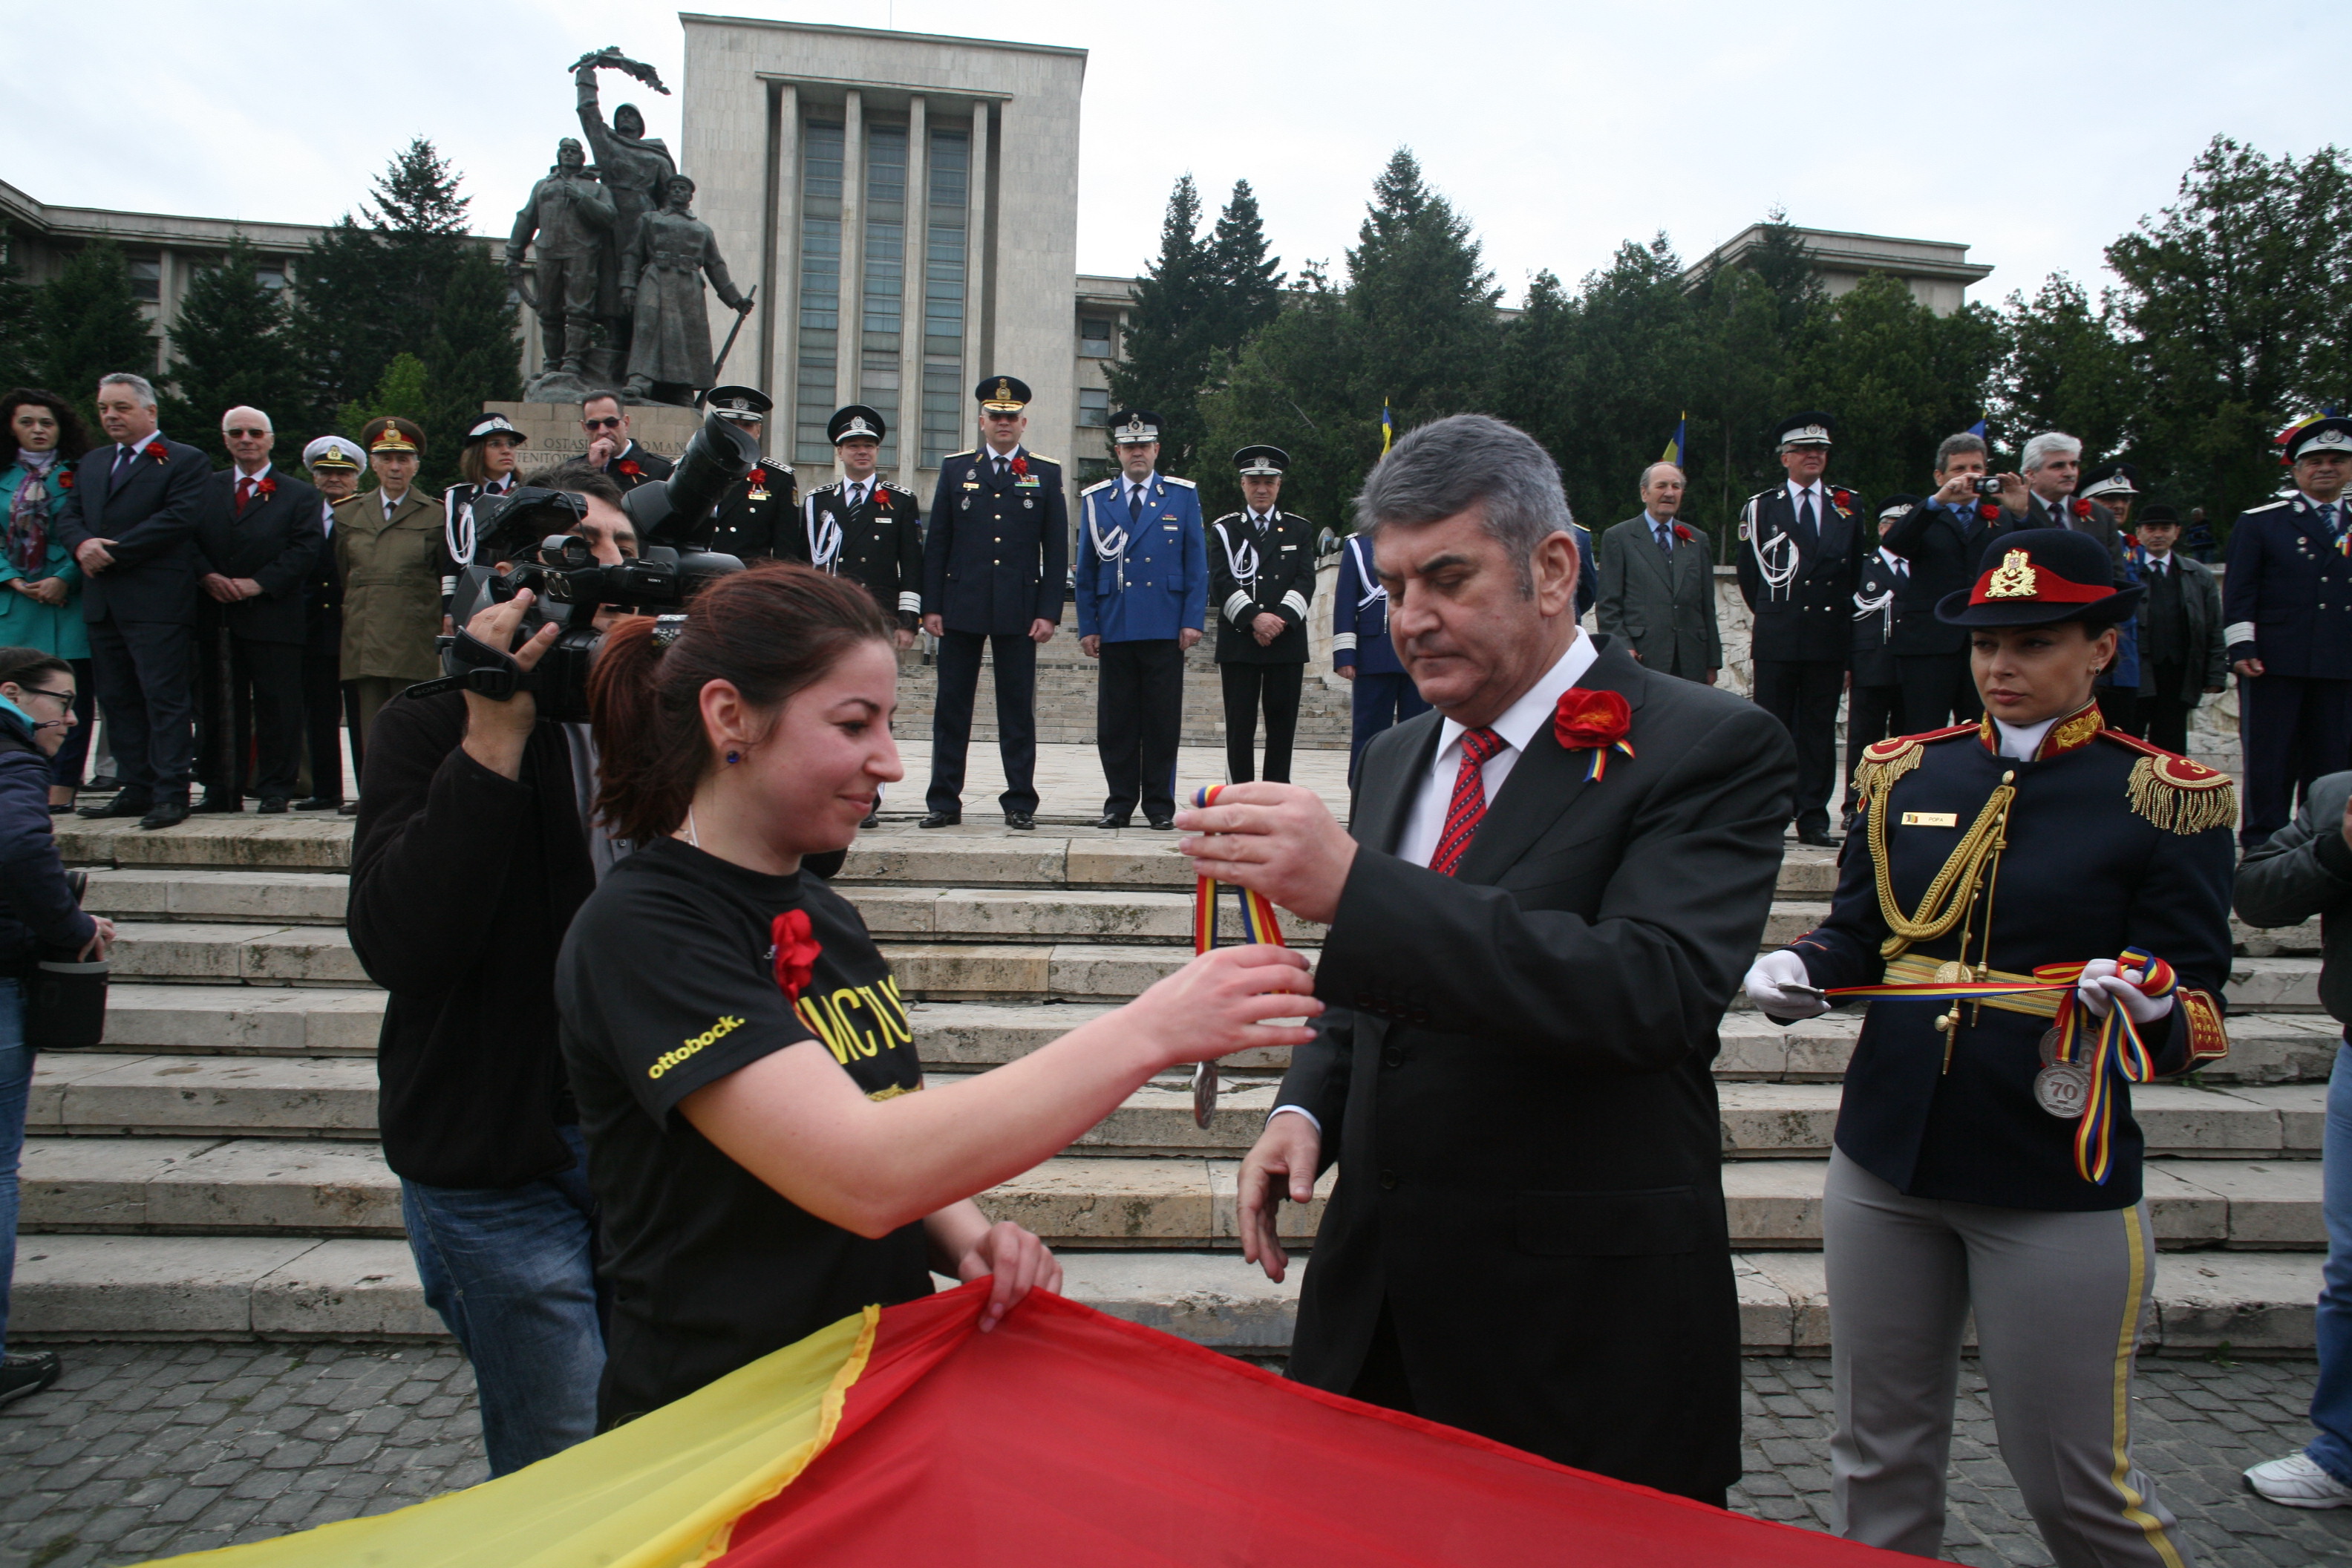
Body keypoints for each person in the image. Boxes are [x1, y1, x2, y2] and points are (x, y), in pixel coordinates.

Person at [555, 563, 1319, 1426]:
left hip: (863, 1397)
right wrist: (1150, 1030)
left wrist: (968, 1239)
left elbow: (890, 1114)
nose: (887, 760)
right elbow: (862, 1168)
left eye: (890, 722)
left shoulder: (824, 914)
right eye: (854, 724)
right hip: (725, 1425)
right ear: (731, 717)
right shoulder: (646, 931)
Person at [1191, 414, 1796, 1503]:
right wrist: (1305, 1109)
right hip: (1375, 1312)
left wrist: (1353, 886)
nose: (1410, 621)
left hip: (1575, 1334)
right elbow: (1378, 979)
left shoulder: (1710, 745)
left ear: (1554, 567)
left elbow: (1650, 994)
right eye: (1392, 587)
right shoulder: (1394, 754)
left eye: (1448, 578)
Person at [1744, 526, 2232, 1565]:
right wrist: (1808, 970)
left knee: (2072, 1480)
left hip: (2050, 1164)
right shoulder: (1902, 771)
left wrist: (2147, 1002)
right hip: (1887, 1154)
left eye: (2036, 642)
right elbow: (1862, 931)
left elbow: (2197, 994)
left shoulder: (2160, 794)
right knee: (1877, 1457)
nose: (2000, 667)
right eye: (1985, 645)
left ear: (2102, 648)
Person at [345, 463, 642, 1476]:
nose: (609, 576)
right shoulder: (427, 724)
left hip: (640, 1145)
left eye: (625, 553)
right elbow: (402, 943)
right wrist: (493, 739)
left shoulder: (655, 723)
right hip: (491, 1148)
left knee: (655, 1438)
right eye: (581, 554)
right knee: (564, 1449)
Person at [0, 647, 114, 1408]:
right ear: (12, 693)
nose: (70, 721)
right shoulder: (13, 761)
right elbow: (16, 843)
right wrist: (69, 924)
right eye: (60, 702)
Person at [2236, 768, 2352, 1509]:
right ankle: (2341, 1449)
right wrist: (2340, 848)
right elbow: (2258, 894)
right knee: (2350, 1274)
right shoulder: (2337, 796)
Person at [53, 373, 210, 832]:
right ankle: (135, 785)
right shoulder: (95, 462)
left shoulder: (184, 460)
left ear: (150, 411)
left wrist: (111, 552)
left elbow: (179, 518)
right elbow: (71, 515)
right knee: (118, 699)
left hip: (156, 601)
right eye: (104, 408)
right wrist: (82, 545)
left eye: (121, 408)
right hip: (104, 601)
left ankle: (170, 792)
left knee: (163, 699)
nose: (110, 416)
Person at [919, 376, 1067, 830]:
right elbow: (938, 542)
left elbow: (1057, 548)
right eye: (995, 416)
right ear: (982, 421)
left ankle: (1020, 800)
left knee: (1017, 709)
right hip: (961, 604)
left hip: (1019, 609)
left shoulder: (1045, 472)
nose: (1003, 424)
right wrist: (932, 605)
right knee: (952, 708)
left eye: (1011, 417)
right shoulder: (955, 469)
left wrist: (1048, 611)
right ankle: (944, 800)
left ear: (1023, 423)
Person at [2225, 415, 2352, 852]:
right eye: (2315, 460)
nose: (2326, 468)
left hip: (2340, 662)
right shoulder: (2263, 522)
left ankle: (2325, 843)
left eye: (2338, 460)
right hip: (2274, 662)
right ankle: (2264, 847)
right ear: (2296, 470)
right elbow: (2240, 591)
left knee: (2333, 762)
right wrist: (2242, 645)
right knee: (2270, 760)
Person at [1737, 411, 1862, 846]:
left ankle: (1813, 818)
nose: (1814, 456)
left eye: (1821, 450)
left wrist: (1847, 650)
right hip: (1779, 636)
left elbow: (1853, 579)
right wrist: (1779, 615)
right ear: (1785, 457)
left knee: (1817, 731)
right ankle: (1771, 814)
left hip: (1827, 638)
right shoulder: (1760, 507)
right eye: (1805, 450)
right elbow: (1752, 577)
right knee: (1774, 728)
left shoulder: (1848, 506)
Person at [1074, 411, 1205, 831]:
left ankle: (1159, 806)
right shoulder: (1098, 500)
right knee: (1117, 724)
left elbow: (1195, 564)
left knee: (1162, 721)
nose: (1137, 453)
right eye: (1129, 447)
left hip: (1165, 624)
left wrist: (1191, 620)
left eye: (1144, 446)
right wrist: (1088, 625)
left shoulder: (1182, 496)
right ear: (1118, 451)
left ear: (1156, 450)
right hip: (1116, 624)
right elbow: (1087, 569)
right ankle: (1119, 803)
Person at [193, 406, 321, 814]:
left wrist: (259, 583)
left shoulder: (300, 494)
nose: (245, 439)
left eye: (254, 432)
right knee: (216, 705)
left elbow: (305, 549)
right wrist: (206, 575)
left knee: (277, 706)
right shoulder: (202, 488)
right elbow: (186, 538)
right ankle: (219, 786)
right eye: (236, 432)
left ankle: (275, 787)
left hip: (273, 616)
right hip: (215, 615)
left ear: (270, 439)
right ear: (225, 439)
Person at [0, 391, 97, 813]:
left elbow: (92, 530)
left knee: (70, 699)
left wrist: (65, 577)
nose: (38, 430)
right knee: (15, 696)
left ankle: (63, 788)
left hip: (67, 603)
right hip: (16, 605)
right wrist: (13, 579)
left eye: (47, 423)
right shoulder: (1, 476)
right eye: (28, 422)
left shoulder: (80, 474)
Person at [336, 419, 442, 778]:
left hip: (413, 638)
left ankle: (413, 794)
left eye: (404, 458)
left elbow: (444, 575)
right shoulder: (348, 514)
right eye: (387, 458)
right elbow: (341, 574)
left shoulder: (437, 514)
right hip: (364, 635)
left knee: (414, 723)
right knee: (369, 727)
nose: (395, 467)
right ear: (374, 463)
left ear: (416, 465)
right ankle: (374, 800)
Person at [1206, 445, 1316, 788]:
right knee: (1239, 727)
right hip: (1240, 640)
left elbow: (1305, 580)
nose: (1262, 489)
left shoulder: (1299, 530)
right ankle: (1238, 798)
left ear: (1279, 485)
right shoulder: (1225, 530)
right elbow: (1220, 580)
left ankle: (1275, 801)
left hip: (1286, 641)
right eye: (1254, 481)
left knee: (1282, 727)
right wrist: (1255, 618)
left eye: (1269, 481)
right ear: (1243, 484)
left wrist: (1278, 620)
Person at [1883, 432, 1998, 732]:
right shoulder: (1927, 515)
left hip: (1984, 639)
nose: (1969, 476)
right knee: (1923, 729)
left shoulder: (2000, 517)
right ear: (1939, 476)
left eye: (1977, 468)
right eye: (1959, 469)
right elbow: (1895, 541)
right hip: (1930, 643)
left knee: (1982, 729)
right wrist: (1937, 502)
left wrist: (2022, 508)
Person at [618, 174, 752, 399]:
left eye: (684, 188)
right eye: (674, 188)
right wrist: (628, 286)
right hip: (655, 278)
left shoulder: (702, 229)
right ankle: (639, 381)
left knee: (687, 338)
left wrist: (736, 299)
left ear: (691, 196)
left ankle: (683, 389)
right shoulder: (649, 219)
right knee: (647, 329)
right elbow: (632, 253)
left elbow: (716, 265)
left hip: (687, 285)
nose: (679, 192)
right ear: (668, 193)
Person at [794, 404, 920, 637]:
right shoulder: (817, 501)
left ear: (877, 451)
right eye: (853, 446)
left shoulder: (902, 501)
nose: (862, 452)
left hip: (879, 613)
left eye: (868, 446)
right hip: (830, 613)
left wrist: (908, 622)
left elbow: (912, 566)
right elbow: (804, 564)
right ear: (839, 452)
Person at [1595, 460, 1721, 684]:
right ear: (1644, 493)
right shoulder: (1619, 538)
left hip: (1691, 661)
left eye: (1676, 487)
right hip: (1643, 657)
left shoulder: (1697, 539)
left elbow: (1707, 606)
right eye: (1662, 486)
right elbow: (1608, 605)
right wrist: (1623, 646)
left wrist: (1712, 661)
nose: (1669, 493)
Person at [506, 139, 615, 378]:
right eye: (564, 151)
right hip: (548, 252)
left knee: (579, 311)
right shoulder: (543, 186)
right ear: (558, 155)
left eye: (573, 151)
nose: (568, 155)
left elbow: (608, 216)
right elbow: (527, 218)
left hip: (581, 253)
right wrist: (514, 251)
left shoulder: (595, 188)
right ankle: (552, 363)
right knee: (548, 312)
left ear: (582, 157)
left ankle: (573, 363)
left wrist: (581, 198)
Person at [1840, 497, 1914, 833]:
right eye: (1890, 525)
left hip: (1913, 666)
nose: (1896, 531)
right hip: (1870, 663)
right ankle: (1857, 804)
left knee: (1910, 739)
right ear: (1881, 528)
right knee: (1863, 740)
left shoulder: (1924, 567)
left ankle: (1901, 803)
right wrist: (1846, 663)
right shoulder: (1862, 567)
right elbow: (1846, 620)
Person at [2128, 505, 2225, 757]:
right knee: (2128, 742)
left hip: (2180, 675)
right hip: (2135, 673)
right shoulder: (2125, 571)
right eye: (2151, 528)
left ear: (2177, 532)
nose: (2158, 534)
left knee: (2170, 748)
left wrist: (2215, 676)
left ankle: (2167, 795)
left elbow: (2214, 627)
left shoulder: (2198, 575)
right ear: (2138, 532)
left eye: (2165, 528)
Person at [298, 437, 361, 813]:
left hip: (354, 625)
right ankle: (324, 789)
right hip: (311, 627)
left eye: (343, 473)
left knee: (359, 714)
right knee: (317, 712)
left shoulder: (364, 514)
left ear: (356, 478)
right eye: (326, 472)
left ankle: (366, 787)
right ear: (314, 476)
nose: (334, 479)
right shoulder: (301, 512)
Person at [695, 387, 795, 564]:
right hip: (696, 576)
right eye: (729, 423)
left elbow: (785, 550)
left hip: (747, 582)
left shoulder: (778, 479)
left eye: (747, 426)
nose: (738, 432)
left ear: (758, 431)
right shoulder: (692, 470)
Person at [439, 412, 527, 604]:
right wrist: (448, 605)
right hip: (472, 593)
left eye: (510, 444)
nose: (506, 450)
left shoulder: (527, 492)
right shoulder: (458, 497)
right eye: (496, 444)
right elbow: (451, 557)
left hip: (518, 593)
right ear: (478, 451)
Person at [580, 392, 671, 494]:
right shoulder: (569, 470)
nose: (603, 431)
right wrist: (592, 468)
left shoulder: (662, 469)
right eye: (593, 425)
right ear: (584, 428)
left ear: (626, 423)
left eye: (611, 423)